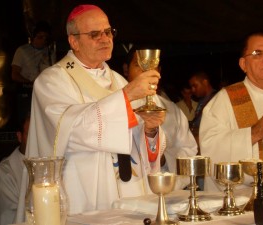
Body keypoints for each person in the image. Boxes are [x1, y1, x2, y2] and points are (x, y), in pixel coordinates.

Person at [16, 4, 165, 219]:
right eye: (95, 34)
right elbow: (72, 131)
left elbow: (138, 144)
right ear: (73, 41)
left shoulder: (119, 81)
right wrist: (125, 96)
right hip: (82, 193)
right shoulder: (51, 81)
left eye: (108, 32)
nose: (105, 39)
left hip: (128, 192)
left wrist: (150, 131)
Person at [199, 31, 263, 191]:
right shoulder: (224, 100)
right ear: (243, 64)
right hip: (244, 199)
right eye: (257, 54)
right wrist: (254, 133)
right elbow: (210, 150)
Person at [124, 46, 198, 184]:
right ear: (126, 69)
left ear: (159, 71)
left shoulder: (172, 110)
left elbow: (189, 150)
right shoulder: (114, 106)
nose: (145, 73)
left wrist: (164, 158)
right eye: (138, 65)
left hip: (165, 188)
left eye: (151, 67)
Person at [11, 20, 56, 124]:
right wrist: (30, 82)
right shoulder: (22, 50)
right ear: (33, 37)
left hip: (44, 93)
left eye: (46, 38)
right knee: (27, 121)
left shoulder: (50, 52)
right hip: (27, 91)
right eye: (40, 37)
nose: (43, 40)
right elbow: (14, 74)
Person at [0, 114, 30, 225]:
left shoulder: (48, 164)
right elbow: (8, 218)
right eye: (30, 135)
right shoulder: (5, 172)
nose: (35, 140)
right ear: (19, 136)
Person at [189, 71, 217, 148]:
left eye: (195, 86)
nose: (193, 90)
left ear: (205, 82)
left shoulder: (216, 98)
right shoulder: (202, 100)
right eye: (191, 87)